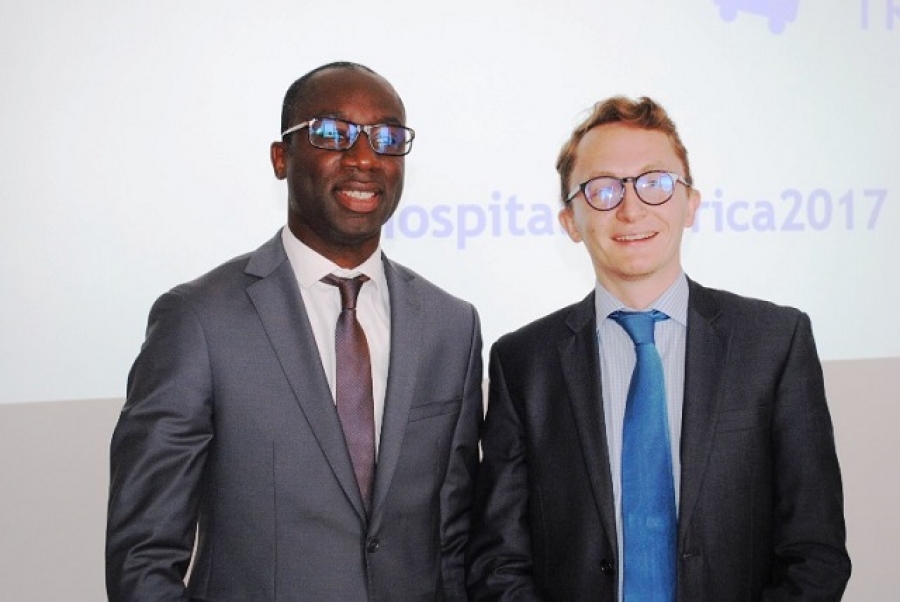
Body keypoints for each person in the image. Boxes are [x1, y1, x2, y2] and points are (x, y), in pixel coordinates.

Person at [106, 61, 483, 601]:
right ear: (281, 158)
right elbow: (143, 558)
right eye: (332, 133)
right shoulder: (197, 320)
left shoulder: (452, 325)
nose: (364, 158)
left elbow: (453, 542)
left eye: (386, 138)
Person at [466, 96, 850, 600]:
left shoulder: (775, 342)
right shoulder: (523, 363)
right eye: (603, 189)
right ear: (570, 222)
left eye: (654, 183)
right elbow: (499, 561)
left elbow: (814, 552)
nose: (631, 209)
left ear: (690, 203)